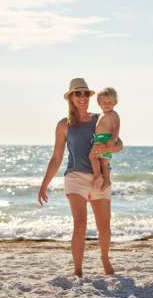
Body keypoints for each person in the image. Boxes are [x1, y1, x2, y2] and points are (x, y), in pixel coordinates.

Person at [38, 78, 123, 277]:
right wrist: (44, 184)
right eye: (78, 93)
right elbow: (56, 157)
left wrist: (110, 147)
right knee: (80, 224)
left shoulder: (100, 118)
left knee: (104, 226)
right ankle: (78, 270)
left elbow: (120, 144)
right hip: (75, 177)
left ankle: (104, 258)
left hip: (100, 176)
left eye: (85, 93)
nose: (82, 97)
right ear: (71, 97)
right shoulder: (64, 125)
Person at [90, 87, 120, 190]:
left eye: (110, 102)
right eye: (104, 102)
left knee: (95, 158)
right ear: (99, 103)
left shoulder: (113, 115)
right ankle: (104, 179)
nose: (107, 104)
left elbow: (116, 128)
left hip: (105, 139)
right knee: (101, 161)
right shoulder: (102, 114)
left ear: (115, 102)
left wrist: (113, 140)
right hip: (99, 138)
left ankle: (100, 176)